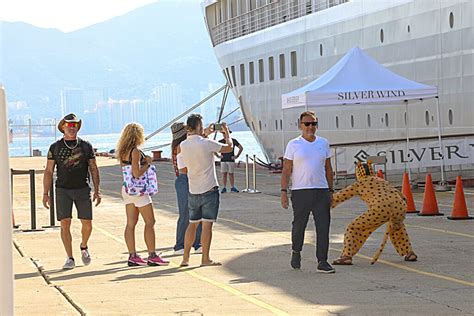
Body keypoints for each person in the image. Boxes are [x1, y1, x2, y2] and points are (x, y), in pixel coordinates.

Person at [43, 113, 101, 270]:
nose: (72, 128)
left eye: (75, 125)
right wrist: (45, 193)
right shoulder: (55, 147)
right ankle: (69, 257)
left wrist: (97, 190)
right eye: (69, 125)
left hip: (82, 189)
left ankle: (84, 246)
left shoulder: (86, 146)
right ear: (63, 127)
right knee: (65, 223)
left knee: (87, 224)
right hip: (63, 190)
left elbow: (94, 168)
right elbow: (48, 171)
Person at [331, 161, 417, 265]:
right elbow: (402, 196)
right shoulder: (382, 181)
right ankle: (409, 253)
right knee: (397, 228)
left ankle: (346, 256)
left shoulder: (359, 184)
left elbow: (340, 196)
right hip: (399, 206)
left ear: (358, 173)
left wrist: (323, 206)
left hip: (380, 208)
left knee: (353, 228)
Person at [280, 111, 335, 273]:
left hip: (321, 191)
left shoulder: (323, 143)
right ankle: (296, 251)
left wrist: (331, 190)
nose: (310, 127)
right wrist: (283, 191)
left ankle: (322, 261)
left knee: (323, 227)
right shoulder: (293, 144)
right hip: (301, 191)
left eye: (314, 124)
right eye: (307, 124)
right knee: (299, 226)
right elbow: (286, 169)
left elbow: (328, 168)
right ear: (300, 126)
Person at [177, 114, 233, 267]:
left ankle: (185, 258)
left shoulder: (183, 145)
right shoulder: (206, 143)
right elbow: (228, 148)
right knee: (207, 226)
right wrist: (226, 134)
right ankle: (205, 258)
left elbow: (196, 142)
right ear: (199, 126)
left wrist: (204, 133)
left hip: (193, 189)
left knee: (192, 224)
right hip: (209, 188)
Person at [116, 122, 169, 267]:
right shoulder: (135, 152)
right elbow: (137, 173)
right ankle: (152, 255)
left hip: (127, 189)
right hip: (139, 190)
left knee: (131, 223)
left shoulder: (123, 151)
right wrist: (147, 164)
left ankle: (132, 255)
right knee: (150, 222)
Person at [171, 122, 202, 255]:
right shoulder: (181, 147)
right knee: (186, 212)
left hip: (185, 180)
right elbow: (184, 168)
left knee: (195, 212)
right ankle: (180, 244)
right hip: (186, 179)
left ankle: (197, 243)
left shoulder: (178, 146)